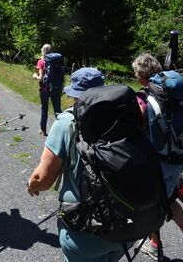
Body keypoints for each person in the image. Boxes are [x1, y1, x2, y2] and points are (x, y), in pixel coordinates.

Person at [27, 67, 136, 262]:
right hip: (124, 228)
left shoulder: (67, 121)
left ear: (75, 94)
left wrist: (32, 186)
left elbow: (42, 179)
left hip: (85, 231)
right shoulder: (123, 117)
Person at [132, 53, 183, 262]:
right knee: (169, 198)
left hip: (156, 161)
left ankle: (155, 246)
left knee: (152, 204)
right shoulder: (176, 94)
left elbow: (135, 128)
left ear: (141, 76)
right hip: (179, 156)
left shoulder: (146, 98)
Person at [32, 43, 62, 136]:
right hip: (56, 88)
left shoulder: (41, 62)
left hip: (45, 89)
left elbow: (41, 78)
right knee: (57, 109)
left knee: (44, 108)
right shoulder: (56, 61)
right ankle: (61, 131)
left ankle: (43, 130)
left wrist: (35, 76)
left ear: (43, 51)